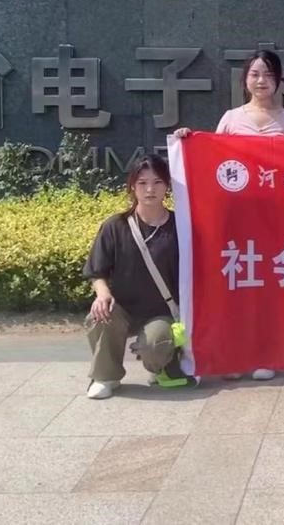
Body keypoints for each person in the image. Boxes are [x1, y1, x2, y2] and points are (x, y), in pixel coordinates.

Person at [176, 49, 284, 382]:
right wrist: (189, 141)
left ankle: (265, 354)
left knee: (268, 288)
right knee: (236, 286)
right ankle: (233, 355)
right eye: (255, 74)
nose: (262, 81)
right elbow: (213, 160)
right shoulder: (231, 119)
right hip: (236, 218)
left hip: (274, 218)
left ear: (279, 81)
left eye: (269, 74)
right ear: (245, 79)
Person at [83, 155, 189, 399]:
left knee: (156, 343)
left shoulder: (180, 226)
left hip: (162, 312)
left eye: (157, 182)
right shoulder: (115, 226)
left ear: (167, 186)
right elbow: (97, 270)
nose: (150, 189)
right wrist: (102, 293)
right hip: (123, 308)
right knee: (100, 315)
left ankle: (159, 366)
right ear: (132, 186)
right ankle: (106, 377)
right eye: (142, 183)